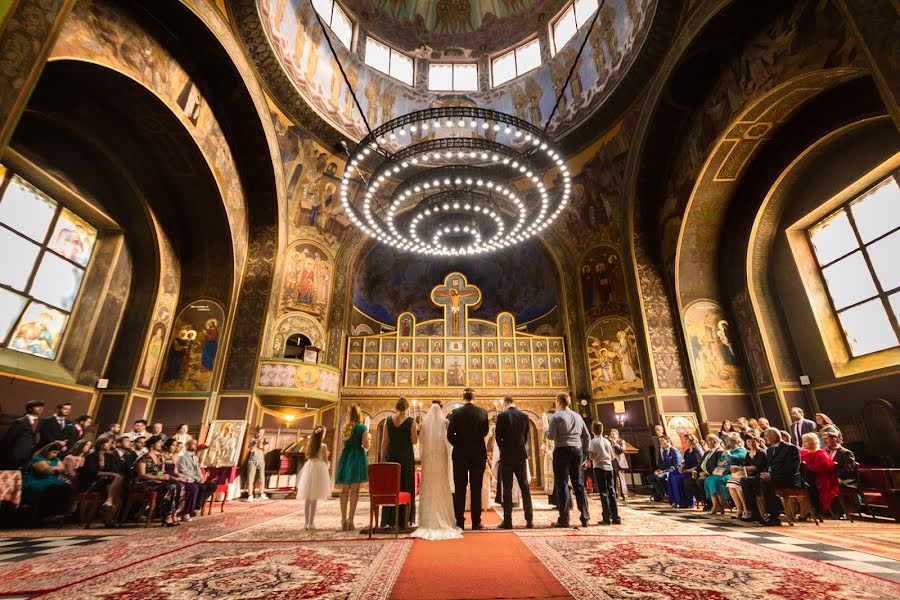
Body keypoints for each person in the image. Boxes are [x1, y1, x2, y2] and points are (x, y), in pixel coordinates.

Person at [413, 402, 462, 540]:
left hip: (429, 458)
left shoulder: (425, 424)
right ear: (440, 410)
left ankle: (427, 521)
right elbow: (450, 438)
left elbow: (421, 441)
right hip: (441, 456)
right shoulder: (445, 422)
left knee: (429, 485)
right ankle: (444, 518)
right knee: (441, 484)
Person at [545, 392, 591, 528]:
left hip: (562, 451)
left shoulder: (556, 416)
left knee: (562, 483)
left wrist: (546, 431)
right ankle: (585, 517)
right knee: (579, 484)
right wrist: (585, 453)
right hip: (577, 451)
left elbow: (551, 436)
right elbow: (586, 436)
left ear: (558, 402)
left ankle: (564, 519)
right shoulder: (577, 416)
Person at [740, 427, 802, 526]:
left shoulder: (790, 448)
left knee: (765, 482)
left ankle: (773, 517)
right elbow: (768, 466)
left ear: (773, 437)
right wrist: (764, 474)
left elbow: (791, 468)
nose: (764, 438)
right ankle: (755, 513)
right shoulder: (770, 450)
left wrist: (771, 475)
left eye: (765, 436)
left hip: (786, 479)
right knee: (745, 480)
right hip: (771, 477)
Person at [447, 388, 488, 530]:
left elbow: (450, 435)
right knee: (476, 487)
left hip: (460, 454)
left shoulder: (455, 413)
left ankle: (460, 522)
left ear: (463, 398)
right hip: (478, 454)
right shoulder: (482, 412)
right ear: (474, 397)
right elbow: (485, 432)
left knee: (460, 488)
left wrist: (459, 444)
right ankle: (476, 522)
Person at [495, 396, 534, 529]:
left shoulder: (502, 416)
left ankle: (508, 521)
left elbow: (497, 436)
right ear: (514, 403)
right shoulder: (524, 416)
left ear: (505, 404)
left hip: (506, 455)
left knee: (507, 488)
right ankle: (529, 520)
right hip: (520, 455)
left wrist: (503, 448)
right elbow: (526, 436)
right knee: (525, 488)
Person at [382, 397, 418, 530]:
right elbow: (414, 441)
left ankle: (390, 519)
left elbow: (384, 442)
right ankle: (404, 520)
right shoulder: (411, 421)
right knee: (406, 485)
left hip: (392, 455)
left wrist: (383, 458)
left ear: (396, 407)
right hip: (406, 457)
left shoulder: (388, 420)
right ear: (407, 408)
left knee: (392, 487)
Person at [134, 435, 181, 526]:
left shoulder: (159, 458)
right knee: (171, 487)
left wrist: (162, 475)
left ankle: (172, 513)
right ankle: (166, 516)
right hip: (144, 483)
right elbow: (142, 475)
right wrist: (158, 477)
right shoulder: (144, 458)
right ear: (152, 445)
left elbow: (159, 472)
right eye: (159, 442)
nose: (161, 444)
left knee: (179, 485)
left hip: (156, 481)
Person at [336, 404, 369, 532]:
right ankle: (351, 520)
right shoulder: (362, 427)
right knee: (355, 491)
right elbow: (365, 444)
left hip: (346, 457)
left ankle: (343, 519)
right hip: (357, 458)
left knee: (344, 490)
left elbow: (343, 444)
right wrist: (368, 439)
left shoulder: (345, 428)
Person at [22, 442, 72, 518]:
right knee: (53, 489)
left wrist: (54, 469)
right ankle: (46, 514)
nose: (55, 455)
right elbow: (45, 470)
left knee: (66, 487)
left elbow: (62, 469)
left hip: (52, 480)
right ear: (47, 451)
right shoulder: (38, 458)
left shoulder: (55, 459)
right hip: (37, 480)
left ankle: (59, 512)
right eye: (54, 452)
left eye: (57, 453)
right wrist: (55, 468)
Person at [297, 426, 331, 530]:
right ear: (322, 434)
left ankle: (306, 523)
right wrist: (327, 465)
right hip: (319, 469)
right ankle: (311, 523)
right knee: (314, 497)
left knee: (307, 497)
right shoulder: (323, 446)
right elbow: (325, 461)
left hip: (309, 468)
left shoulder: (310, 444)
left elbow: (308, 456)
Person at [704, 433, 746, 514]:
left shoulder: (740, 450)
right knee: (708, 479)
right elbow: (719, 461)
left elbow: (733, 460)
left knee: (715, 481)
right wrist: (721, 463)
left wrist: (728, 455)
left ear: (736, 441)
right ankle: (716, 505)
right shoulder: (727, 451)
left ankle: (721, 505)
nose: (727, 442)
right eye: (726, 440)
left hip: (732, 473)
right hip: (722, 472)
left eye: (729, 440)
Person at [728, 435, 767, 521]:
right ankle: (743, 510)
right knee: (732, 482)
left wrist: (740, 468)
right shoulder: (748, 454)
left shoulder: (761, 452)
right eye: (748, 441)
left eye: (753, 441)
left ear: (757, 441)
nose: (751, 443)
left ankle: (750, 511)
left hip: (760, 476)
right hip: (750, 476)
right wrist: (736, 468)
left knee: (743, 481)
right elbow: (745, 466)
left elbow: (757, 467)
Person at [588, 422, 619, 525]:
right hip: (609, 468)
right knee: (611, 491)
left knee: (603, 492)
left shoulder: (593, 442)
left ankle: (606, 518)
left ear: (592, 430)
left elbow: (592, 456)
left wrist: (592, 456)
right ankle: (616, 517)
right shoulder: (607, 441)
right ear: (602, 430)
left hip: (599, 468)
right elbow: (612, 456)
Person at [800, 432, 838, 515]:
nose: (803, 443)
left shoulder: (821, 453)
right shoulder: (803, 453)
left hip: (822, 479)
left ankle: (814, 510)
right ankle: (803, 510)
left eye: (805, 441)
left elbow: (824, 469)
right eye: (803, 441)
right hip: (809, 478)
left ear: (812, 441)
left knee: (809, 486)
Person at [0, 400, 45, 469]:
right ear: (29, 408)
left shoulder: (40, 422)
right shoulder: (20, 422)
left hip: (29, 454)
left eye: (42, 406)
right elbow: (8, 439)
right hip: (15, 455)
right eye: (37, 406)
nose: (41, 408)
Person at [177, 439, 217, 516]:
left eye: (196, 444)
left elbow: (197, 469)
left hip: (196, 478)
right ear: (187, 445)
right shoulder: (182, 457)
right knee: (202, 487)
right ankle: (196, 508)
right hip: (188, 478)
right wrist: (198, 479)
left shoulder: (195, 457)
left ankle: (197, 506)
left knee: (213, 486)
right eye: (193, 444)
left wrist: (202, 478)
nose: (195, 445)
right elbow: (184, 471)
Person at [684, 435, 722, 510]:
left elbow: (717, 465)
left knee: (700, 481)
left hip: (711, 474)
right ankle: (702, 500)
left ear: (714, 441)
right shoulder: (707, 452)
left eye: (708, 441)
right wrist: (696, 471)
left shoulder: (720, 452)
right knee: (688, 481)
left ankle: (710, 503)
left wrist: (707, 472)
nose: (706, 443)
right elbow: (700, 464)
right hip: (702, 473)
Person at [162, 438, 194, 521]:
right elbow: (160, 472)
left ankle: (175, 513)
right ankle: (169, 514)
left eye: (176, 445)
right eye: (173, 445)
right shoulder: (162, 456)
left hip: (173, 477)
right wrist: (174, 478)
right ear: (167, 446)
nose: (175, 447)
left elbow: (175, 471)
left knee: (184, 485)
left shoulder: (171, 457)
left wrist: (182, 477)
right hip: (164, 478)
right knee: (178, 486)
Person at [668, 434, 703, 508]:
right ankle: (675, 500)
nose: (685, 441)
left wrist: (686, 470)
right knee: (671, 474)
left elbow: (698, 465)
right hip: (686, 469)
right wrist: (682, 467)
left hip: (694, 471)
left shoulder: (697, 450)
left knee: (678, 478)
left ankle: (686, 502)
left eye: (686, 440)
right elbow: (685, 462)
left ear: (691, 440)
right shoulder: (687, 450)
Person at [645, 435, 682, 502]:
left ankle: (668, 494)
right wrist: (660, 470)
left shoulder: (674, 451)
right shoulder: (665, 452)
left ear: (667, 441)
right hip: (666, 470)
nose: (661, 443)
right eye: (660, 441)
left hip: (674, 471)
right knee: (650, 477)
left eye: (662, 441)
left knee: (659, 477)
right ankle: (662, 494)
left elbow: (677, 466)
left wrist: (663, 471)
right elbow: (665, 464)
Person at [246, 427, 269, 502]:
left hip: (261, 461)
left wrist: (262, 444)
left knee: (262, 479)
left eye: (262, 433)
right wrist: (256, 443)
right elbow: (251, 450)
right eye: (260, 432)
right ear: (256, 433)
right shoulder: (252, 440)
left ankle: (261, 494)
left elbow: (264, 451)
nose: (261, 434)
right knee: (250, 479)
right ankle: (250, 496)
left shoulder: (264, 440)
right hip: (252, 461)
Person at [608, 428, 630, 501]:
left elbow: (622, 450)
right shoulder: (609, 442)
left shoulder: (621, 441)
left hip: (619, 462)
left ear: (617, 435)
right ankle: (614, 494)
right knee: (612, 478)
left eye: (613, 434)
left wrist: (615, 443)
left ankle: (624, 494)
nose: (612, 436)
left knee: (621, 478)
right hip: (611, 462)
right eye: (611, 434)